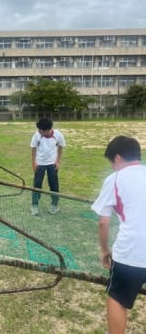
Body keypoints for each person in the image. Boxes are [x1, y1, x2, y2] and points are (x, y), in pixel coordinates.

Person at [91, 136, 146, 334]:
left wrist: (105, 250)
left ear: (118, 158)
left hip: (131, 253)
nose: (113, 167)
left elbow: (103, 221)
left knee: (117, 297)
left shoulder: (115, 178)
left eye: (112, 163)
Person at [30, 117, 65, 216]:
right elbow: (33, 148)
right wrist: (33, 162)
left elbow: (60, 147)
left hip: (52, 164)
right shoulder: (37, 135)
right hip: (39, 164)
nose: (38, 131)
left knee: (54, 184)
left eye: (40, 130)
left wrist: (58, 161)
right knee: (37, 185)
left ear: (47, 130)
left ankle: (54, 205)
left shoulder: (58, 135)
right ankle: (34, 205)